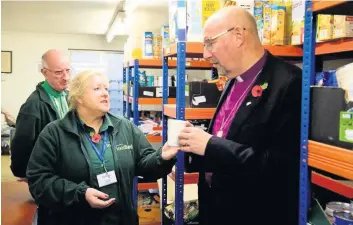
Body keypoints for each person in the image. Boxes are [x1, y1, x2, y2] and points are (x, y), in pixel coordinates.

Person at [178, 6, 302, 225]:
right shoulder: (233, 79)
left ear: (238, 36)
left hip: (252, 213)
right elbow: (228, 134)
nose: (206, 54)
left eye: (210, 42)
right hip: (216, 208)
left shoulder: (289, 83)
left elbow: (279, 168)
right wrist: (192, 143)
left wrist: (210, 144)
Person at [26, 71, 178, 225]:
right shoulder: (55, 133)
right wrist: (80, 193)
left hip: (120, 219)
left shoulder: (123, 127)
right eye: (97, 89)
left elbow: (144, 164)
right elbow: (38, 180)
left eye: (107, 89)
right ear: (78, 97)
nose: (105, 94)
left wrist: (162, 157)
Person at [10, 49, 71, 179]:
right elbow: (22, 147)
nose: (65, 77)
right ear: (44, 72)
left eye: (68, 70)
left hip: (64, 171)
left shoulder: (68, 97)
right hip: (46, 176)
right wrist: (28, 176)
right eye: (59, 72)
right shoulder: (33, 106)